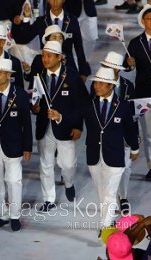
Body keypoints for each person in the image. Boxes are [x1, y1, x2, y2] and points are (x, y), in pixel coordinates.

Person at [32, 40, 89, 212]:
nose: (45, 59)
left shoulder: (72, 77)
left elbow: (83, 104)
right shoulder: (39, 76)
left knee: (68, 164)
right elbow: (34, 97)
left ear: (59, 57)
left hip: (66, 127)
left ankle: (69, 182)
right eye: (43, 55)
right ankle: (48, 198)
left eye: (49, 56)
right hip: (44, 127)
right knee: (46, 164)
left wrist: (77, 126)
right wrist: (34, 107)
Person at [84, 67, 139, 230]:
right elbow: (75, 117)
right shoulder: (89, 105)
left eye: (101, 83)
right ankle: (109, 218)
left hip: (115, 155)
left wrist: (134, 148)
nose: (96, 86)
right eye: (96, 83)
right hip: (94, 155)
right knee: (102, 192)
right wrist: (60, 117)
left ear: (111, 86)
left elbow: (130, 129)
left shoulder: (122, 106)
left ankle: (105, 225)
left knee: (109, 193)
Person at [0, 59, 32, 232]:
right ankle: (2, 215)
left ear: (8, 75)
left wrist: (27, 147)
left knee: (13, 181)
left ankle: (14, 215)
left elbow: (26, 123)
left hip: (13, 145)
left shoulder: (20, 95)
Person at [12, 0, 91, 80]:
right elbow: (24, 38)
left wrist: (83, 72)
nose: (55, 1)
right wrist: (26, 18)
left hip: (68, 66)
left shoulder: (72, 20)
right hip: (46, 66)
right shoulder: (41, 21)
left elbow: (79, 47)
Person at [90, 51, 136, 214]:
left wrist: (134, 141)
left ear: (117, 69)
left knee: (125, 168)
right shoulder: (97, 85)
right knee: (108, 169)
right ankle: (109, 204)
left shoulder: (128, 86)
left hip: (124, 133)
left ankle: (123, 198)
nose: (106, 68)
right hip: (106, 136)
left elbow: (132, 114)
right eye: (104, 65)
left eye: (109, 66)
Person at [125, 4, 151, 180]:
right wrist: (129, 64)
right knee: (150, 133)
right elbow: (127, 66)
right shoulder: (135, 43)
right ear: (143, 21)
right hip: (145, 93)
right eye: (150, 18)